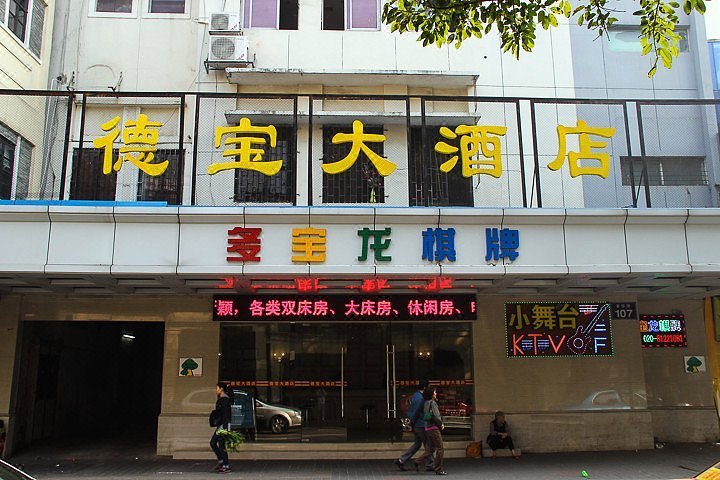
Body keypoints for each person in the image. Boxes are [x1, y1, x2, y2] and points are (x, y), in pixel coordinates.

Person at [394, 380, 433, 471]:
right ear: (424, 388)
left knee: (417, 444)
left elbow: (411, 410)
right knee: (428, 444)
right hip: (420, 424)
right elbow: (416, 411)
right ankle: (430, 464)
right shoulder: (421, 399)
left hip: (416, 424)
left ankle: (401, 460)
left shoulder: (415, 396)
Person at [413, 387, 447, 475]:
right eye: (435, 392)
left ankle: (417, 461)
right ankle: (439, 469)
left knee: (431, 449)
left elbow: (428, 416)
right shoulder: (433, 403)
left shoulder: (426, 403)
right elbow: (436, 416)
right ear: (431, 394)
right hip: (434, 428)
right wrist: (441, 424)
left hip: (427, 427)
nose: (436, 393)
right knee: (440, 449)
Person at [209, 382, 233, 473]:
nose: (216, 390)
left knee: (217, 443)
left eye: (217, 388)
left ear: (221, 389)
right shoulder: (222, 399)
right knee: (216, 443)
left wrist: (226, 428)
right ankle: (222, 463)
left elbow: (226, 415)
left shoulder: (225, 400)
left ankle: (225, 465)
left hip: (223, 425)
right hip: (222, 425)